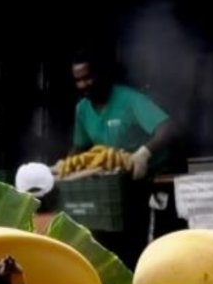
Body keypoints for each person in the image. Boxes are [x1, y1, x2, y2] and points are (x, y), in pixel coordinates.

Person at [68, 49, 178, 267]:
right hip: (113, 187)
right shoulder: (82, 109)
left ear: (101, 74)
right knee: (106, 245)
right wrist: (65, 168)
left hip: (145, 178)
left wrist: (144, 154)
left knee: (138, 246)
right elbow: (79, 147)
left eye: (88, 77)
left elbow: (168, 128)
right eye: (78, 80)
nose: (84, 85)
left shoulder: (129, 100)